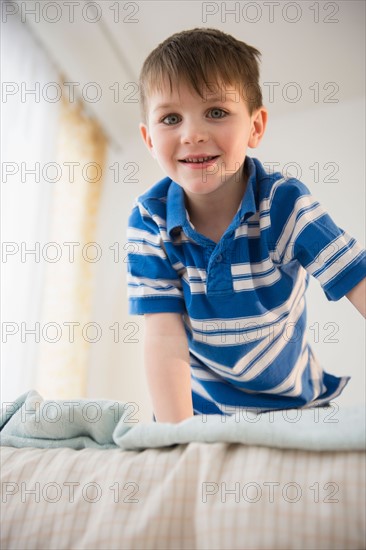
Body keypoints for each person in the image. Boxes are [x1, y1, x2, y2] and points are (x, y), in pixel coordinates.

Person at [126, 28, 366, 423]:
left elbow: (356, 278)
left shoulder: (284, 203)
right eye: (171, 118)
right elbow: (163, 335)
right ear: (149, 140)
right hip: (199, 413)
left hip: (296, 406)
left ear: (255, 127)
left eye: (216, 112)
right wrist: (177, 437)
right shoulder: (148, 220)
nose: (192, 134)